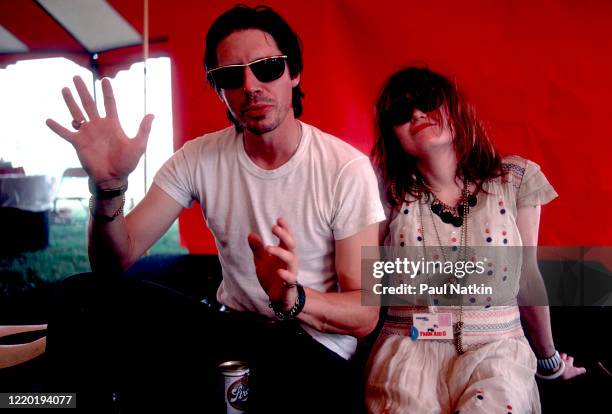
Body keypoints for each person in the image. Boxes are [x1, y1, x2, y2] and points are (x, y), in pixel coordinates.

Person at [45, 5, 384, 412]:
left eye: (267, 68)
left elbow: (365, 312)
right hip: (232, 331)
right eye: (230, 76)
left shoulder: (345, 168)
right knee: (83, 294)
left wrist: (294, 298)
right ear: (219, 89)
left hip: (311, 348)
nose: (250, 86)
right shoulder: (198, 158)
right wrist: (108, 187)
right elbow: (113, 259)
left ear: (294, 73)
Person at [364, 67, 586, 414]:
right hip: (409, 352)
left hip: (497, 351)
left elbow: (527, 276)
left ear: (455, 108)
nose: (417, 115)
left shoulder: (512, 179)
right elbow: (364, 280)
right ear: (393, 135)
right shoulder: (383, 189)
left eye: (427, 102)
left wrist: (549, 360)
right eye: (400, 112)